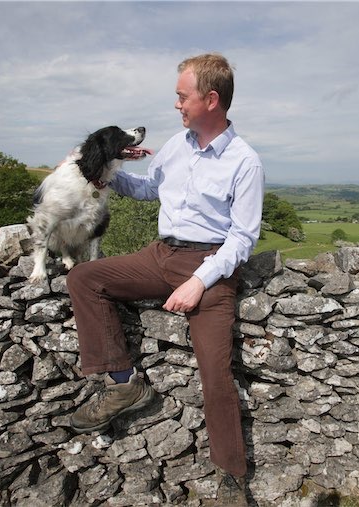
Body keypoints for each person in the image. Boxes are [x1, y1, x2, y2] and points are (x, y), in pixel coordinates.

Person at [66, 53, 264, 504]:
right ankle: (124, 384)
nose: (176, 105)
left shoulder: (244, 162)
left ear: (210, 99)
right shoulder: (178, 145)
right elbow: (147, 188)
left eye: (182, 96)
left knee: (215, 374)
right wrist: (96, 171)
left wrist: (199, 281)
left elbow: (242, 238)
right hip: (159, 255)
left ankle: (233, 479)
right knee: (83, 278)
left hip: (211, 267)